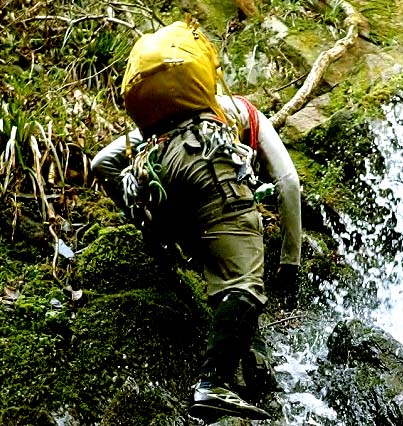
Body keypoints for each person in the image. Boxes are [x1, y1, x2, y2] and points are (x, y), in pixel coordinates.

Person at [90, 20, 302, 421]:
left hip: (160, 180)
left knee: (222, 272)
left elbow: (103, 162)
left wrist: (147, 222)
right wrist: (290, 261)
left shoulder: (160, 129)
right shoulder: (242, 113)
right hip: (210, 169)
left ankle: (243, 362)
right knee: (244, 283)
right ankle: (213, 384)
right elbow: (289, 183)